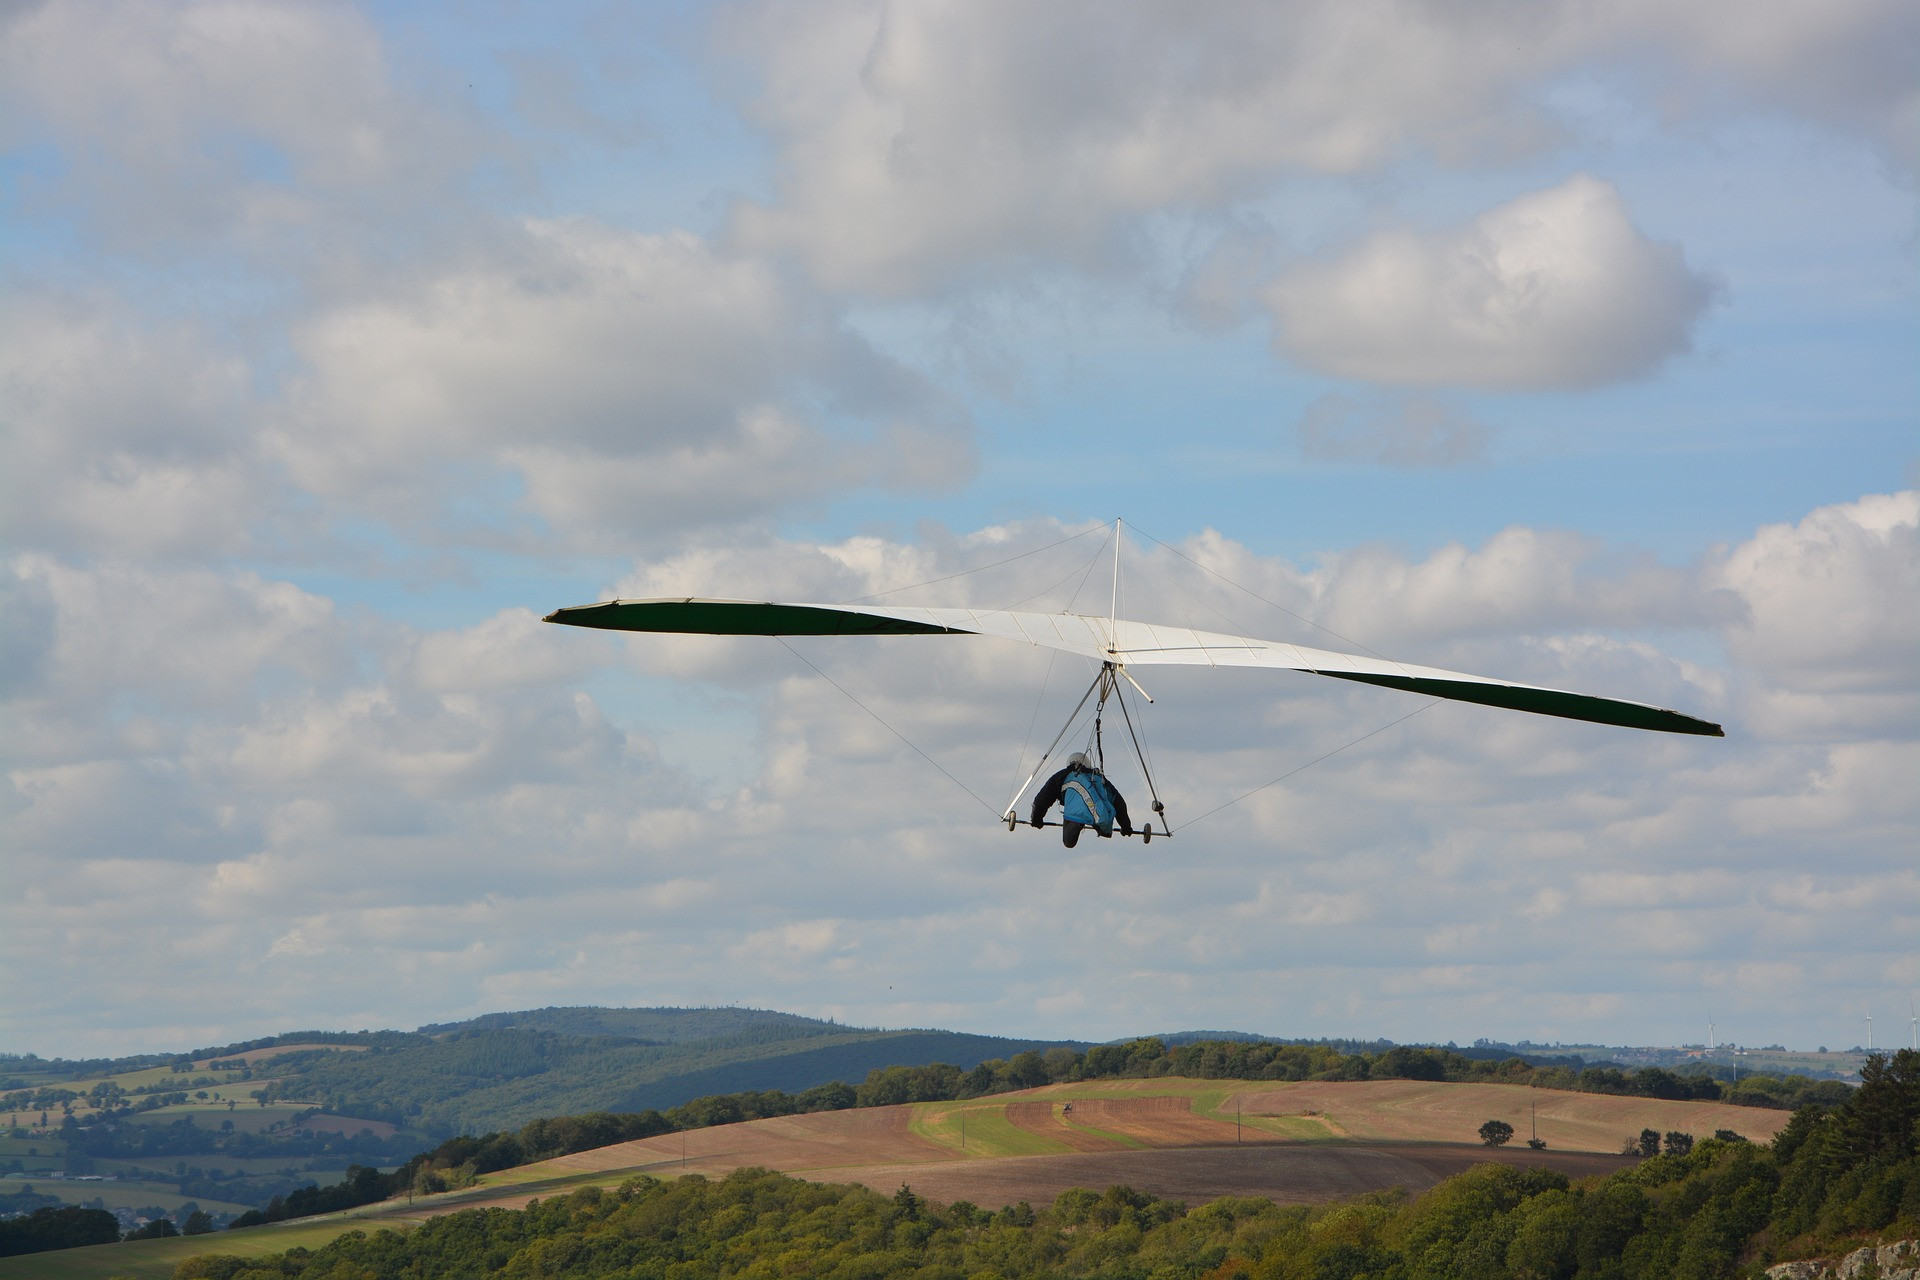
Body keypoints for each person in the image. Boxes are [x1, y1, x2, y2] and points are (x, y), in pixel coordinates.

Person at [1030, 752, 1132, 847]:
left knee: (1068, 842)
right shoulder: (1098, 778)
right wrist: (1126, 827)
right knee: (1101, 819)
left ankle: (1078, 823)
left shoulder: (1062, 775)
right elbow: (1119, 803)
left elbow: (1042, 799)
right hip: (1097, 811)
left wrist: (1036, 819)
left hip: (1075, 811)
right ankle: (1098, 824)